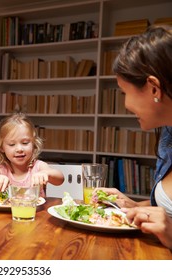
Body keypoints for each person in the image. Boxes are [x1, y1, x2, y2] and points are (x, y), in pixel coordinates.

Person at [97, 25, 172, 249]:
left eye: (124, 92)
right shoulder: (168, 135)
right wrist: (132, 205)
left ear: (153, 88)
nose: (125, 105)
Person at [0, 113, 64, 196]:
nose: (19, 149)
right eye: (11, 144)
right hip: (8, 209)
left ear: (33, 143)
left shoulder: (38, 167)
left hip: (36, 209)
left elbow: (60, 179)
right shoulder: (1, 169)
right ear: (2, 147)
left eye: (25, 143)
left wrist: (46, 174)